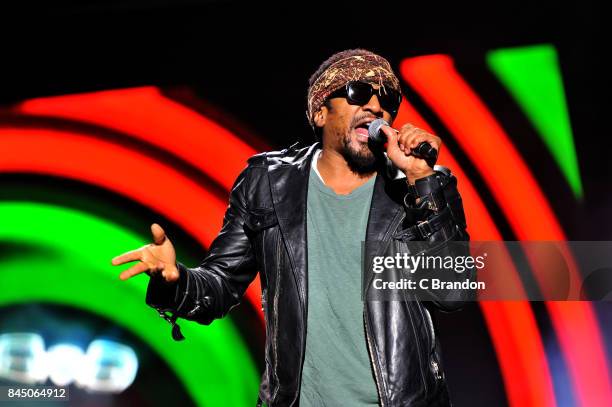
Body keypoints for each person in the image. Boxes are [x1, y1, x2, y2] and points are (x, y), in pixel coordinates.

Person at [112, 49, 472, 406]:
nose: (377, 107)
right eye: (359, 93)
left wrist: (421, 179)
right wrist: (174, 279)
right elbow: (219, 286)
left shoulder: (424, 185)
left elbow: (454, 292)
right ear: (320, 112)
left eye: (388, 99)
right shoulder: (267, 183)